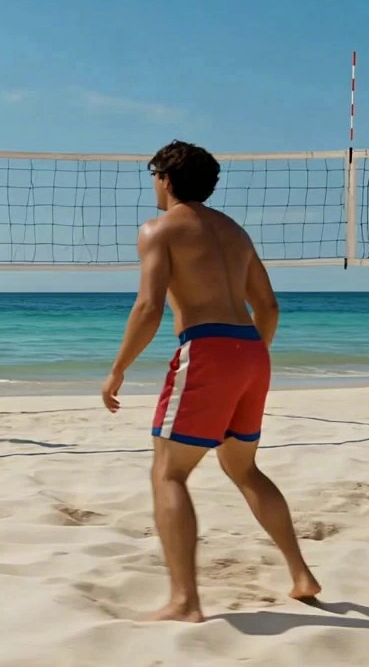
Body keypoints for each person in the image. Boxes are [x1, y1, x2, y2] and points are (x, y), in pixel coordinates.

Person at [100, 139, 321, 622]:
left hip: (207, 349)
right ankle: (301, 574)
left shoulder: (157, 230)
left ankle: (185, 601)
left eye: (154, 175)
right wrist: (249, 357)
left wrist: (118, 368)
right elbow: (269, 307)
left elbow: (148, 307)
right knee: (244, 469)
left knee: (168, 471)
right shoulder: (236, 232)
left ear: (165, 178)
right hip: (251, 352)